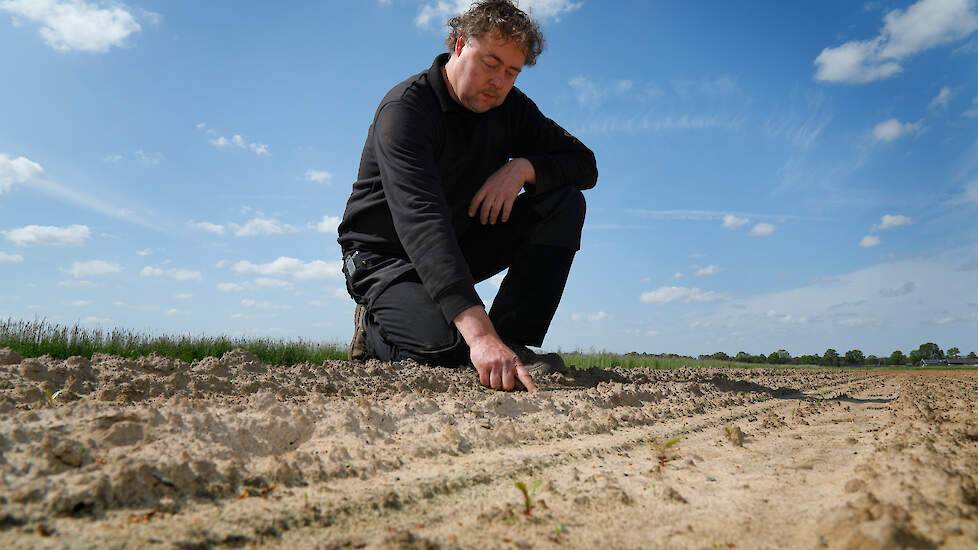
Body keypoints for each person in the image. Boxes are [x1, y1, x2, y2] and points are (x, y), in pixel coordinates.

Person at [337, 0, 597, 392]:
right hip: (385, 257)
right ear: (460, 46)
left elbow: (584, 164)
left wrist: (523, 168)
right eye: (491, 63)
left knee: (564, 202)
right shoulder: (407, 110)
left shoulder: (509, 107)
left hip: (458, 245)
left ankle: (511, 340)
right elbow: (422, 222)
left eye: (512, 72)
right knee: (447, 351)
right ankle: (373, 325)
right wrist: (478, 336)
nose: (499, 81)